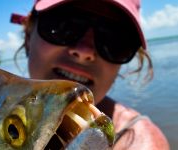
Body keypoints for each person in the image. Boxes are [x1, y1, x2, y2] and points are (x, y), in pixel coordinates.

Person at [11, 0, 170, 149]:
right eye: (62, 24)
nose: (84, 52)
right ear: (28, 35)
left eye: (114, 40)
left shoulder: (137, 142)